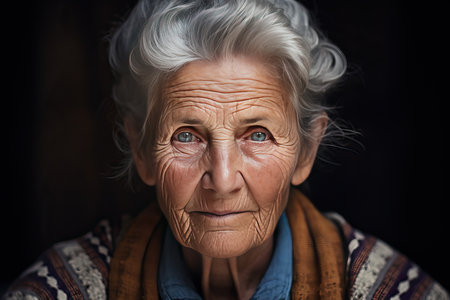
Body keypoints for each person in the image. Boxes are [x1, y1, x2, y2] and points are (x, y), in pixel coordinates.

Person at [2, 0, 448, 299]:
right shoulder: (61, 289)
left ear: (306, 151)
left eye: (257, 134)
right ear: (140, 149)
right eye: (186, 135)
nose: (222, 179)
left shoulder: (391, 291)